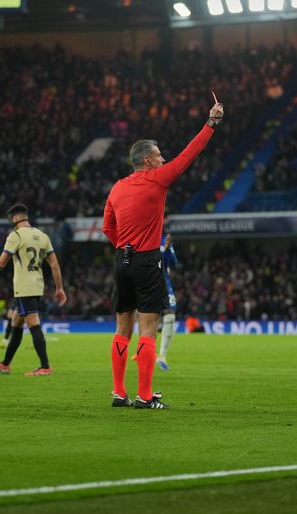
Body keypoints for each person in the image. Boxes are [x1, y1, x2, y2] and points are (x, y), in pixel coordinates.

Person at [102, 98, 224, 409]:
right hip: (146, 261)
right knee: (147, 329)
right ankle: (144, 396)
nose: (163, 159)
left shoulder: (116, 187)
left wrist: (122, 246)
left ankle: (119, 393)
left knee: (121, 328)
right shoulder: (159, 178)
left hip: (121, 261)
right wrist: (211, 123)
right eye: (158, 156)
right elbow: (189, 154)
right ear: (147, 161)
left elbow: (107, 228)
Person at [0, 203, 66, 376]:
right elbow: (54, 264)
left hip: (25, 287)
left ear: (16, 218)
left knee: (33, 324)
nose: (11, 221)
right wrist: (59, 288)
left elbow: (1, 263)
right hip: (37, 284)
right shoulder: (43, 235)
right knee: (16, 322)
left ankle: (45, 366)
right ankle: (5, 364)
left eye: (11, 219)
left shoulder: (15, 235)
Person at [157, 231, 177, 371]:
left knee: (170, 315)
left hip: (163, 282)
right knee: (149, 319)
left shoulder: (164, 239)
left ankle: (162, 355)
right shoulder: (143, 234)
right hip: (146, 282)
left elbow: (174, 264)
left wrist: (168, 249)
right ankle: (144, 353)